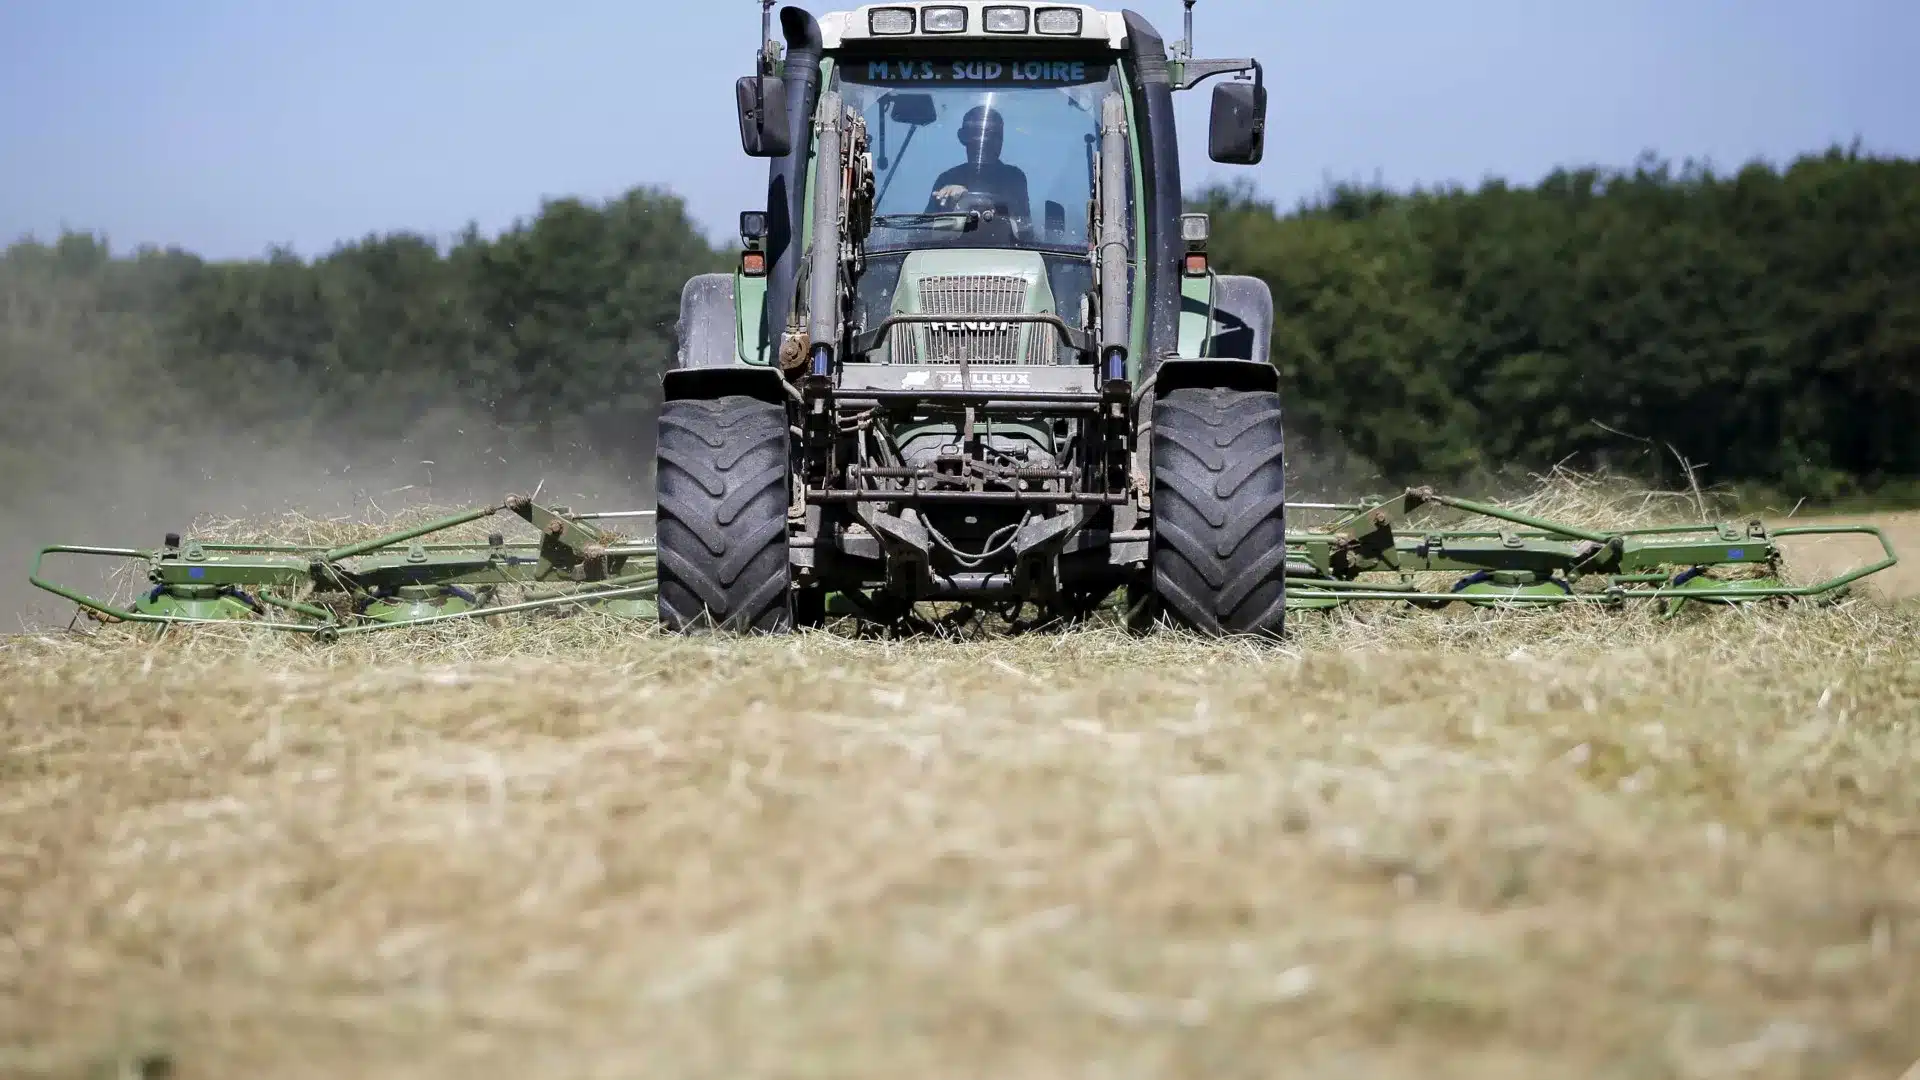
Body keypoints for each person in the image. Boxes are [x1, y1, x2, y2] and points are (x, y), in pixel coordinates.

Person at [926, 104, 1032, 226]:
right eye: (980, 134)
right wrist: (948, 206)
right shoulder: (946, 179)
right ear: (963, 136)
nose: (988, 141)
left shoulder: (1013, 178)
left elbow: (1022, 225)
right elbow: (924, 231)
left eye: (995, 135)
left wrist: (965, 199)